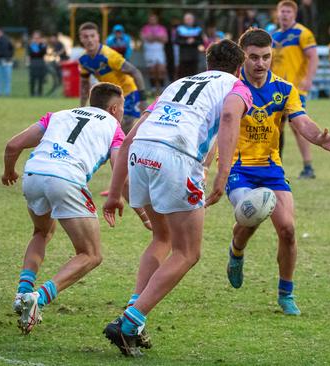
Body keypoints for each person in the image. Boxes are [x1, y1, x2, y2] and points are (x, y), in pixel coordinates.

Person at [101, 39, 251, 356]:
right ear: (239, 68)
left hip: (141, 153)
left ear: (208, 64)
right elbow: (228, 119)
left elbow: (129, 137)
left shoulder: (178, 84)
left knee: (162, 237)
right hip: (176, 158)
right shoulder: (238, 86)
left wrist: (114, 194)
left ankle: (134, 321)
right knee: (188, 253)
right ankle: (129, 323)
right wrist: (222, 176)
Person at [222, 28, 330, 316]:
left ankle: (286, 293)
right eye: (253, 57)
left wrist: (319, 138)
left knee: (288, 230)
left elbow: (301, 122)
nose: (260, 63)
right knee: (251, 213)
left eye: (265, 57)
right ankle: (236, 251)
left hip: (271, 169)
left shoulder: (285, 89)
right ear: (243, 57)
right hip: (239, 168)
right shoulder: (230, 89)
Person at [2, 82, 128, 334]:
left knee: (41, 232)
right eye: (122, 108)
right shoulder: (114, 127)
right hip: (66, 179)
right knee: (91, 254)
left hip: (34, 173)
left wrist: (9, 172)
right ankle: (38, 298)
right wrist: (139, 209)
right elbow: (120, 168)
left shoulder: (57, 115)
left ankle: (23, 293)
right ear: (114, 108)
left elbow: (13, 145)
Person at [271, 0, 319, 179]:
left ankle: (308, 167)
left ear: (294, 14)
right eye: (282, 11)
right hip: (275, 89)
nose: (284, 15)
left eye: (288, 12)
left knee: (298, 127)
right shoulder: (274, 36)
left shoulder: (303, 33)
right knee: (275, 128)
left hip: (295, 89)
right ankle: (276, 165)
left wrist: (308, 78)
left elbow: (313, 57)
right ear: (277, 14)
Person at [78, 22, 146, 135]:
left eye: (92, 36)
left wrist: (143, 100)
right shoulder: (83, 60)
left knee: (122, 128)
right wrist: (81, 107)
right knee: (108, 129)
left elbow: (135, 72)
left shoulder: (109, 55)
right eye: (85, 36)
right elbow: (84, 84)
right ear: (81, 38)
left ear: (98, 37)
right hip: (110, 96)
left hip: (128, 93)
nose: (89, 40)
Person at [141, 13, 168, 95]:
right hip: (149, 52)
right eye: (151, 19)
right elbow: (145, 38)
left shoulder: (162, 28)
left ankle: (162, 88)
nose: (152, 20)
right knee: (152, 70)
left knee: (161, 70)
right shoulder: (145, 28)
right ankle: (153, 89)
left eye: (154, 19)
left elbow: (165, 39)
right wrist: (158, 38)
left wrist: (153, 38)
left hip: (159, 51)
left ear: (157, 20)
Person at [175, 12, 204, 78]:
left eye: (190, 19)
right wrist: (186, 42)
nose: (188, 20)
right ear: (184, 20)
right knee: (183, 74)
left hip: (194, 56)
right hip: (183, 56)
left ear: (193, 19)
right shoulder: (180, 29)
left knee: (193, 73)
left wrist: (194, 41)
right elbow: (176, 41)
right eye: (187, 19)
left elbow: (201, 41)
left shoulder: (198, 29)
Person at [27, 30, 47, 97]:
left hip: (41, 62)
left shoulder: (43, 45)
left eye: (37, 38)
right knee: (33, 78)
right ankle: (32, 93)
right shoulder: (31, 45)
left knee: (40, 79)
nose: (36, 39)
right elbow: (31, 54)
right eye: (35, 38)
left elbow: (42, 53)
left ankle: (40, 93)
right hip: (33, 62)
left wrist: (40, 46)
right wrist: (34, 46)